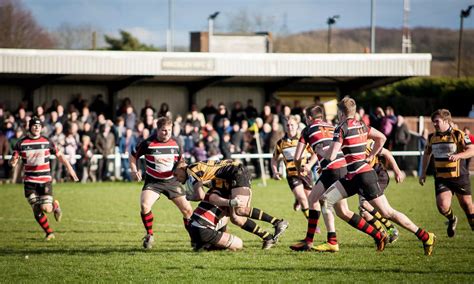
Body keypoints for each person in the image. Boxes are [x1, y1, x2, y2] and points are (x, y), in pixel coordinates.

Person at [320, 97, 436, 255]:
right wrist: (371, 155)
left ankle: (425, 236)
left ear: (341, 113)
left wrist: (321, 151)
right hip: (353, 176)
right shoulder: (362, 126)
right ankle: (338, 241)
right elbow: (382, 137)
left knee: (388, 213)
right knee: (327, 200)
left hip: (362, 176)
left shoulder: (341, 127)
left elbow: (332, 155)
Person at [290, 106, 387, 253]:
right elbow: (327, 147)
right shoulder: (332, 126)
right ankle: (378, 235)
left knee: (314, 199)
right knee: (343, 211)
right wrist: (318, 164)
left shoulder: (307, 130)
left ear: (309, 118)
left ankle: (315, 241)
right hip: (343, 166)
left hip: (332, 170)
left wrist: (299, 169)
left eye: (305, 117)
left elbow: (297, 157)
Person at [174, 159, 289, 249]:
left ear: (181, 168)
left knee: (240, 210)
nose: (176, 179)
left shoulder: (191, 171)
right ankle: (267, 237)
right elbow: (211, 183)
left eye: (176, 174)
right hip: (227, 179)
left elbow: (200, 196)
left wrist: (189, 197)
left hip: (236, 172)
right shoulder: (195, 169)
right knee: (236, 218)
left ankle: (278, 222)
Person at [9, 116, 79, 240]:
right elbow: (13, 162)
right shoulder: (21, 143)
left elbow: (60, 155)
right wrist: (13, 161)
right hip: (30, 182)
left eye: (39, 126)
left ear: (41, 128)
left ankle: (55, 206)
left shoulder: (47, 142)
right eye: (34, 125)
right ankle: (49, 232)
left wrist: (70, 168)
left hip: (44, 180)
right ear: (29, 127)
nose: (37, 127)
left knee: (46, 208)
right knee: (36, 209)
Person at [129, 116, 193, 250]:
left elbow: (181, 160)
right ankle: (149, 235)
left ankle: (195, 239)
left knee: (188, 210)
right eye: (164, 130)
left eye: (169, 130)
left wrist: (183, 169)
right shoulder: (147, 143)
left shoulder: (176, 143)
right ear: (157, 130)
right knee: (145, 205)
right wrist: (135, 170)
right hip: (153, 182)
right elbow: (133, 155)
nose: (167, 133)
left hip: (172, 181)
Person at [419, 109, 474, 237]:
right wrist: (423, 173)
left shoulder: (459, 134)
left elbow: (471, 150)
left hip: (459, 176)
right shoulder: (431, 137)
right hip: (441, 178)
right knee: (442, 206)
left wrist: (459, 155)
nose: (435, 124)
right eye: (433, 122)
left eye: (437, 121)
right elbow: (427, 153)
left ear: (446, 121)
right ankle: (452, 219)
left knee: (467, 207)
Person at [359, 139, 405, 243]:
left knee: (371, 208)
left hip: (378, 176)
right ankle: (384, 233)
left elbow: (387, 153)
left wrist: (397, 171)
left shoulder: (368, 142)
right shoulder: (347, 143)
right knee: (364, 213)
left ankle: (390, 230)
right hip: (363, 179)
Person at [271, 116, 315, 218]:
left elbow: (314, 154)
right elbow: (274, 158)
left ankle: (297, 199)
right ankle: (312, 224)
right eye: (287, 125)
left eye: (292, 125)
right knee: (303, 199)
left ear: (297, 126)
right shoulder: (281, 143)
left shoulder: (303, 140)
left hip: (305, 173)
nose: (290, 127)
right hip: (292, 175)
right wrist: (275, 171)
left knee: (309, 199)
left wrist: (309, 165)